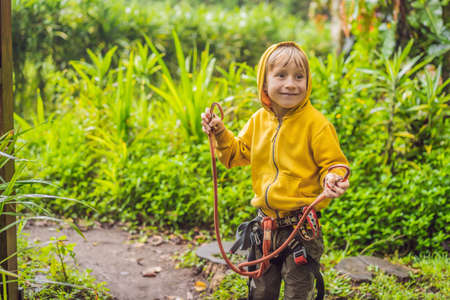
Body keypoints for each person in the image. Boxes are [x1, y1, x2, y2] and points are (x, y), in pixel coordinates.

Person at [201, 41, 350, 300]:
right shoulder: (258, 121)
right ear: (264, 82)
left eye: (299, 77)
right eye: (281, 75)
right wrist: (220, 133)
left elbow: (334, 163)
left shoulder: (317, 125)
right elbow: (235, 155)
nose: (291, 84)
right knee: (261, 292)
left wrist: (333, 177)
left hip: (300, 229)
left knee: (297, 293)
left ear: (308, 82)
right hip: (265, 228)